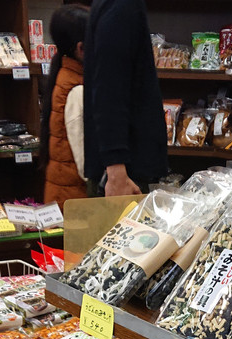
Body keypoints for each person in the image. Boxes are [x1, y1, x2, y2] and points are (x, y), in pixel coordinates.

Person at [83, 0, 167, 197]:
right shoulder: (121, 5)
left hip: (123, 170)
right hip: (124, 175)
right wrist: (116, 171)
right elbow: (109, 88)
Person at [41, 4, 90, 208]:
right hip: (73, 205)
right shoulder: (76, 89)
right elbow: (85, 167)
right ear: (81, 49)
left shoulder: (67, 75)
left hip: (66, 199)